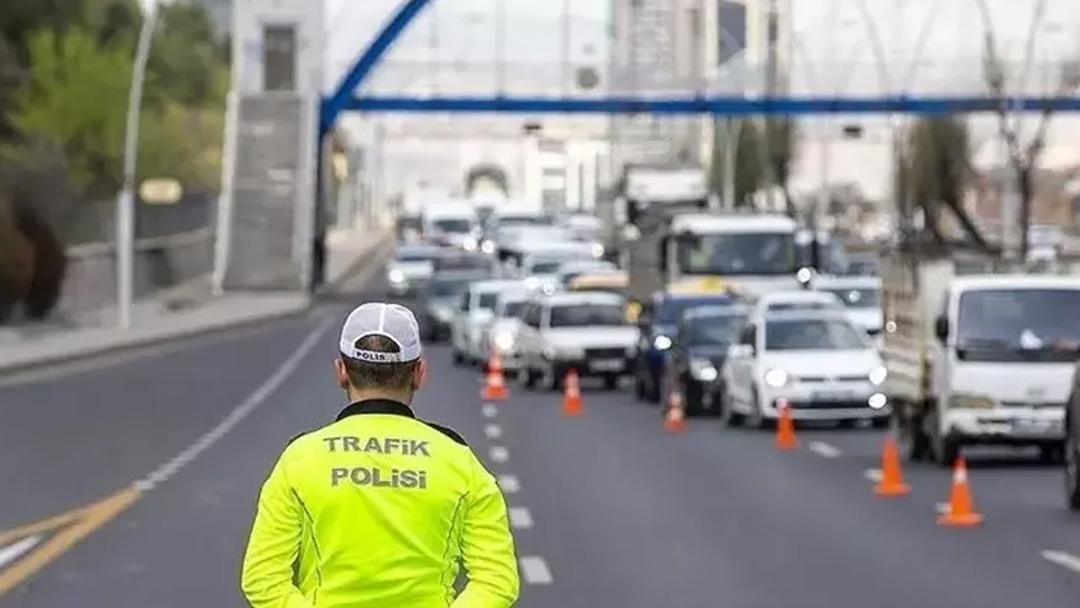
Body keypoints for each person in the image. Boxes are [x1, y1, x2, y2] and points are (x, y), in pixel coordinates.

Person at [241, 303, 520, 607]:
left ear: (341, 372)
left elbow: (262, 579)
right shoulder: (459, 461)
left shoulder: (300, 460)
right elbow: (497, 581)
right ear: (419, 373)